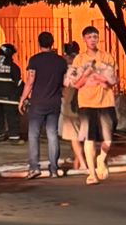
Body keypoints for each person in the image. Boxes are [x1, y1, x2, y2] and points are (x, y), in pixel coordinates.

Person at [66, 25, 119, 184]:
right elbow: (75, 83)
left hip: (106, 102)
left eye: (95, 37)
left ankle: (101, 159)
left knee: (107, 139)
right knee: (89, 138)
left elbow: (114, 80)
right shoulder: (79, 59)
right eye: (89, 37)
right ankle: (91, 174)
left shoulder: (107, 57)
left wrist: (104, 80)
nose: (93, 40)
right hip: (86, 103)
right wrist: (88, 74)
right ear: (84, 40)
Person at [20, 31, 66, 178]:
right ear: (52, 43)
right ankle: (54, 169)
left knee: (33, 135)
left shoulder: (34, 60)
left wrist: (22, 99)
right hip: (54, 102)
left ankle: (34, 167)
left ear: (39, 43)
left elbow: (30, 81)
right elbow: (64, 82)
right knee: (52, 134)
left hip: (38, 102)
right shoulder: (60, 61)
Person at [59, 40, 86, 177]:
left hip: (70, 106)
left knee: (74, 137)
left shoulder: (64, 70)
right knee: (82, 135)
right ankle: (78, 162)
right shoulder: (84, 66)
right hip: (85, 104)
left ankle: (82, 163)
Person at [0, 42, 24, 140]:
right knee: (12, 117)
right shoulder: (13, 67)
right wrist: (23, 95)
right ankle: (14, 137)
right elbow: (19, 83)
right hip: (10, 98)